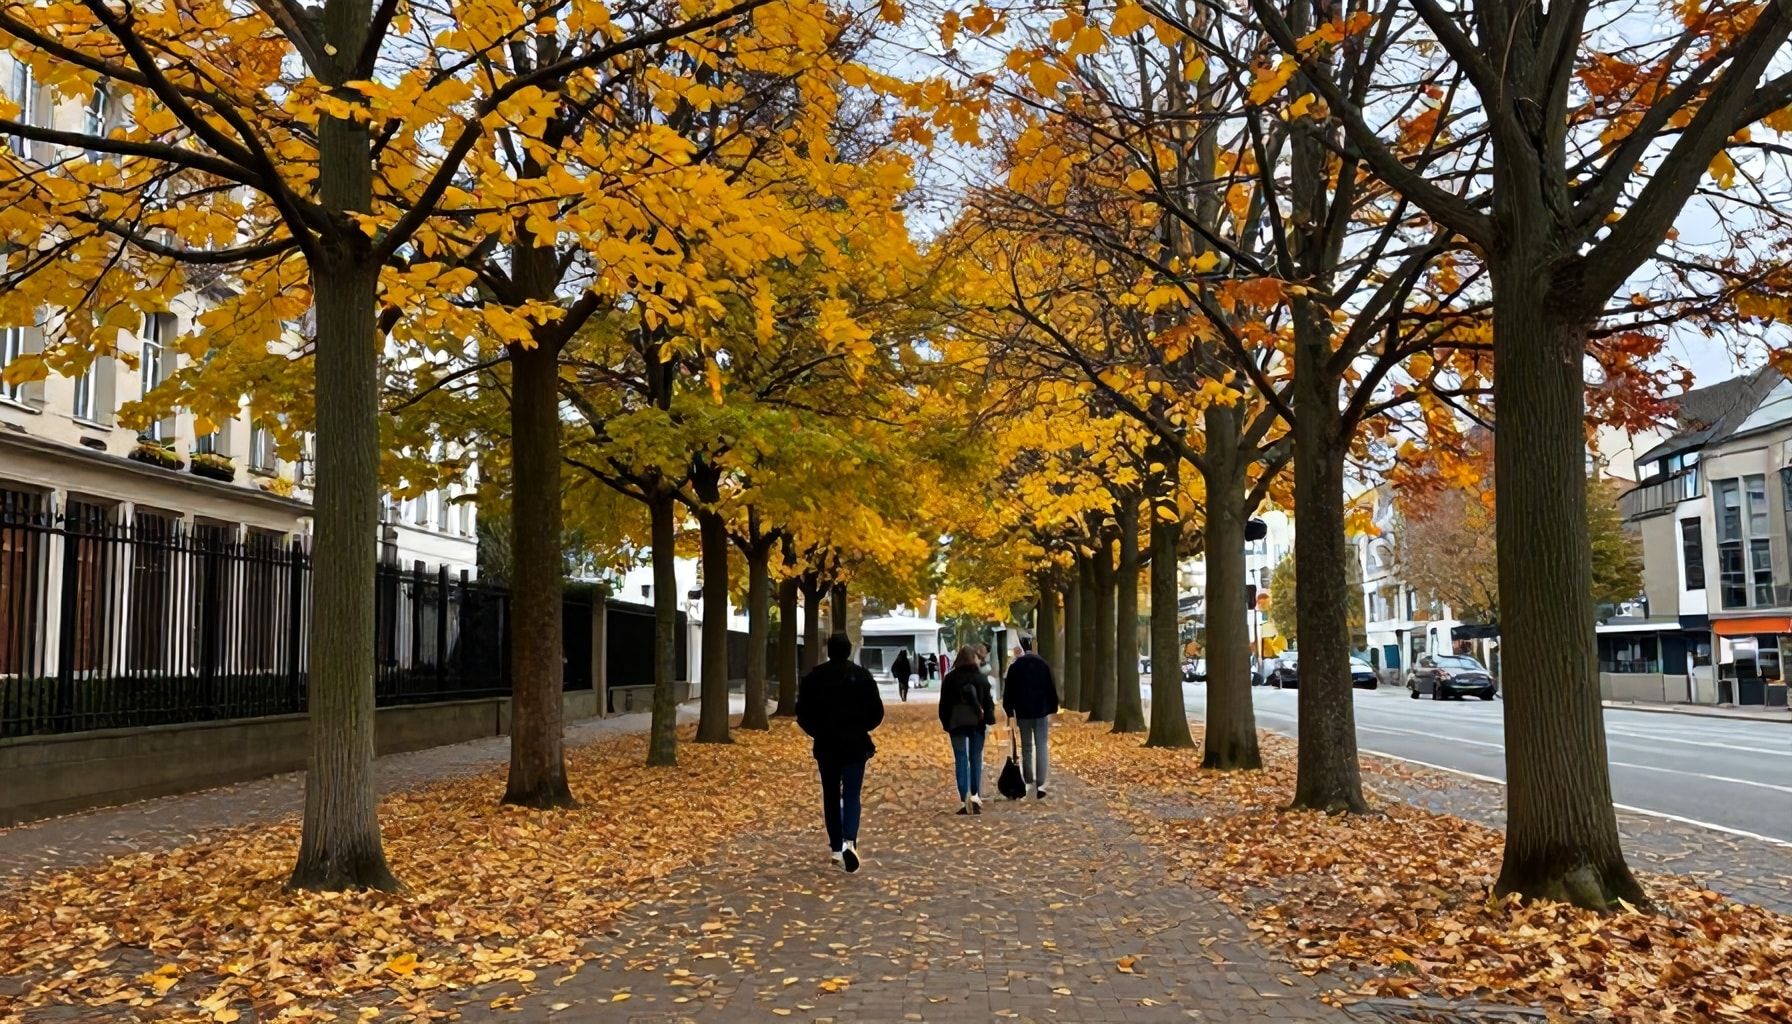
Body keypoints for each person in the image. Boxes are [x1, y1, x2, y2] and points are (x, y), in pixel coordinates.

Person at [796, 634, 885, 872]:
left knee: (831, 795)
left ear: (829, 651)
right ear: (849, 650)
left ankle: (836, 848)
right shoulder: (862, 676)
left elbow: (802, 713)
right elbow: (877, 712)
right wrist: (861, 727)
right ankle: (850, 841)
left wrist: (817, 731)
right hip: (855, 743)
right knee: (853, 793)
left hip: (827, 745)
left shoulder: (814, 678)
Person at [938, 643, 996, 814]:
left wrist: (946, 723)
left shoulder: (950, 679)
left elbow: (944, 704)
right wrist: (989, 720)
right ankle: (975, 794)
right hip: (977, 723)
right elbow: (988, 703)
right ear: (974, 659)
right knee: (976, 757)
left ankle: (965, 797)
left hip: (956, 723)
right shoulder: (980, 678)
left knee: (961, 758)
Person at [1002, 634, 1060, 800]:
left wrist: (1009, 712)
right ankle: (1041, 781)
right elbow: (1051, 687)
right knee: (1041, 745)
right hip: (1040, 711)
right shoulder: (1043, 665)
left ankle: (1028, 779)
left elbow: (1009, 693)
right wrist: (1052, 707)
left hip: (1023, 712)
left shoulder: (1015, 667)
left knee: (1026, 746)